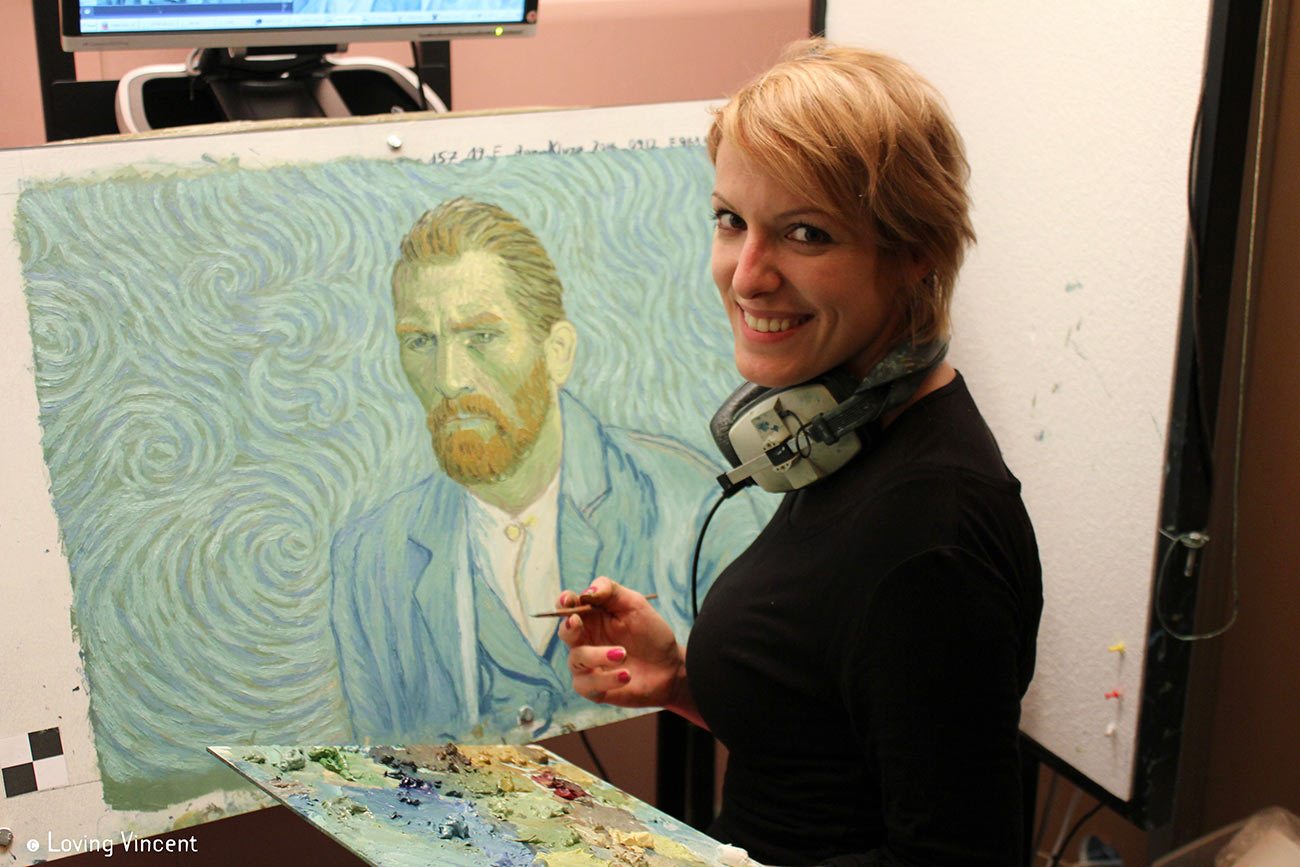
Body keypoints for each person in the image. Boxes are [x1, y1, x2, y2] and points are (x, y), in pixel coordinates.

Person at [557, 40, 1044, 866]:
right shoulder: (846, 434)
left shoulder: (933, 536)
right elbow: (834, 752)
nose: (747, 276)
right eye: (731, 221)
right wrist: (679, 680)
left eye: (805, 233)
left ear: (915, 252)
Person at [330, 197, 763, 744]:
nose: (448, 378)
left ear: (557, 352)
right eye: (420, 341)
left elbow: (777, 730)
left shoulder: (695, 509)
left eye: (481, 336)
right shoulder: (371, 559)